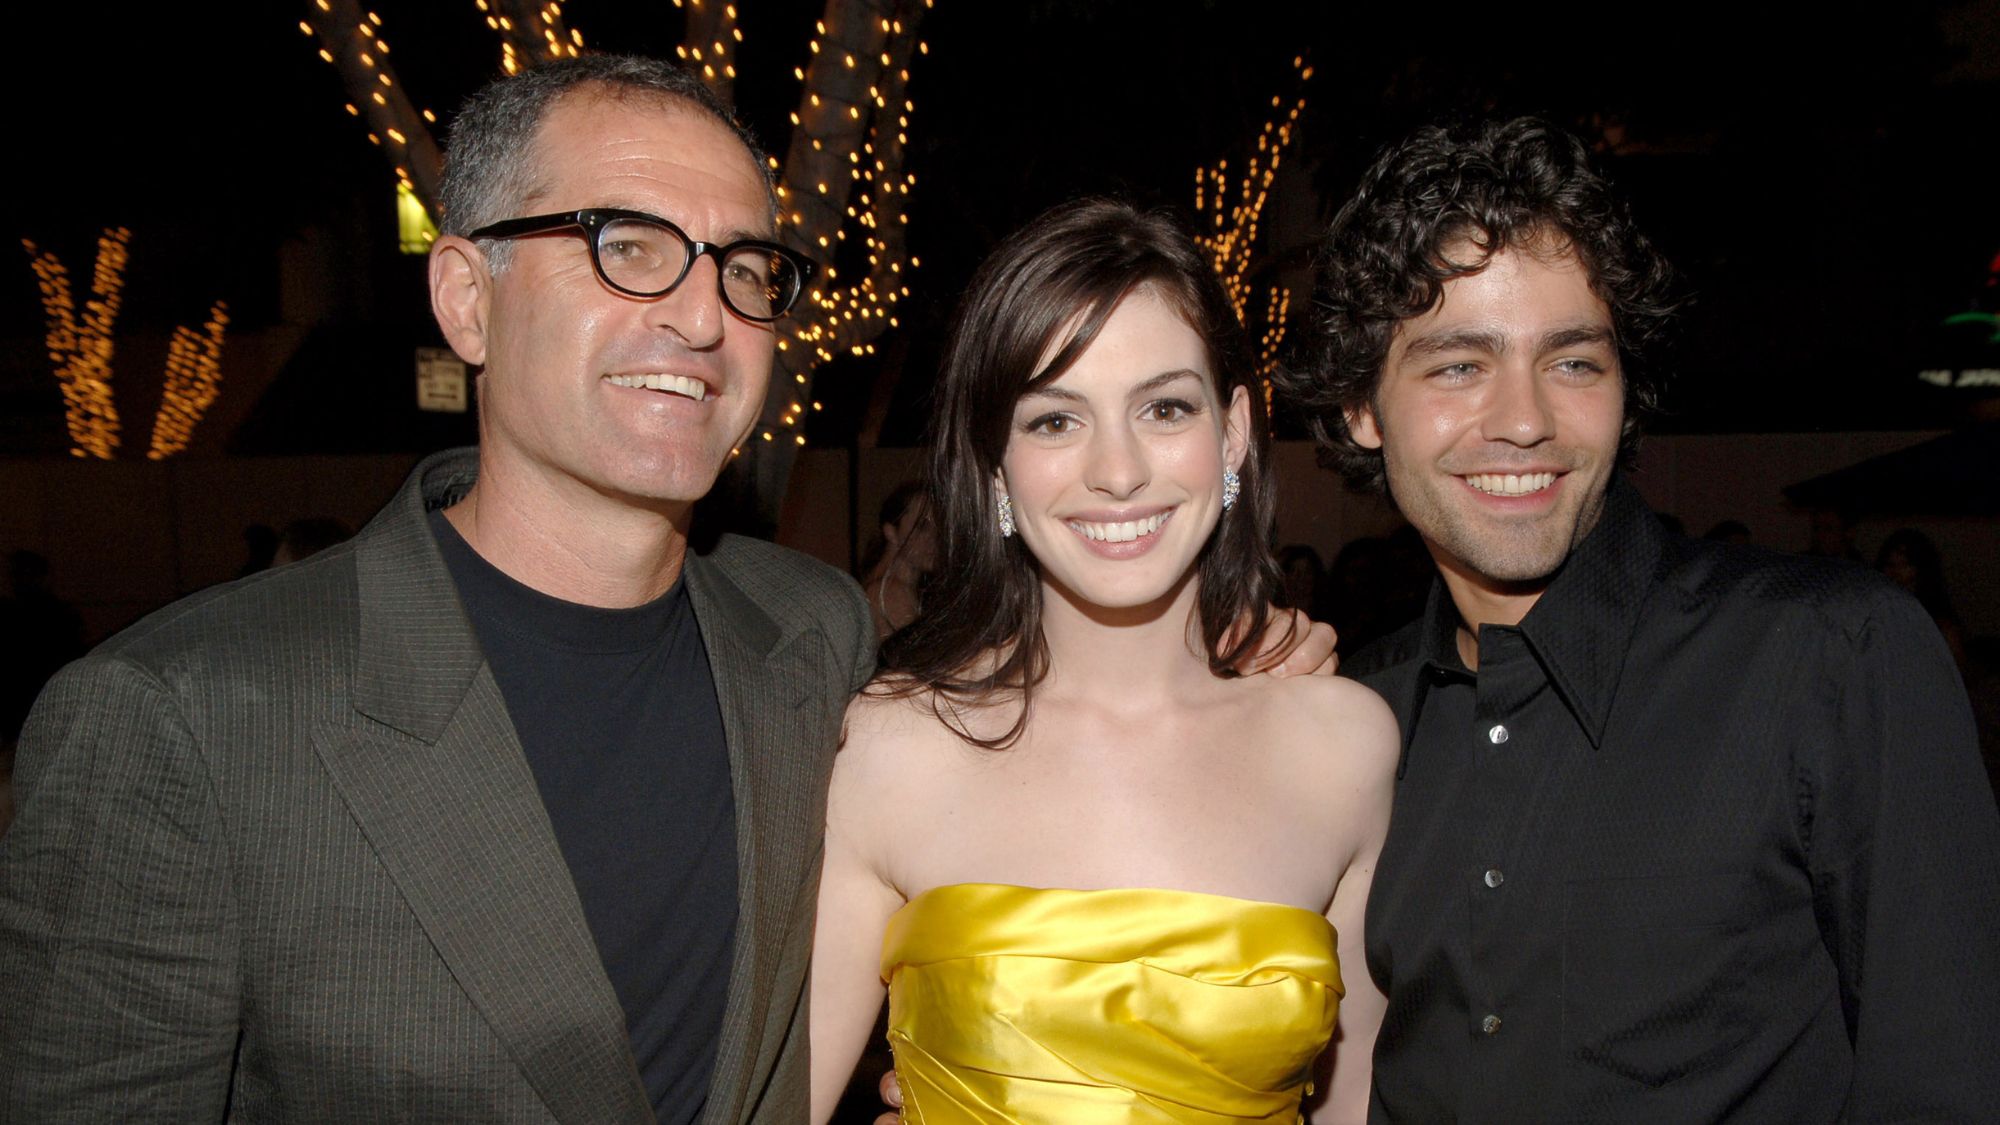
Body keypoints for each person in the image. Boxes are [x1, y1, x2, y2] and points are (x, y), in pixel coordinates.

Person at [0, 56, 875, 1122]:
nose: (702, 318)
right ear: (466, 300)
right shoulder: (182, 714)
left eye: (743, 269)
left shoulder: (813, 631)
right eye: (626, 247)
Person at [1282, 115, 2000, 1121]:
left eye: (1572, 362)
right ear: (1361, 407)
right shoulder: (1349, 721)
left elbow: (1947, 1081)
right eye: (1457, 365)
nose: (1524, 418)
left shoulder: (1830, 657)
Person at [809, 200, 1398, 1124]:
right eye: (1055, 420)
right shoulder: (888, 748)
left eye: (1164, 407)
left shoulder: (1345, 748)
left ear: (1234, 432)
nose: (1117, 470)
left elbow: (1356, 1102)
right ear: (996, 465)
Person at [857, 481, 937, 637]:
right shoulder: (889, 592)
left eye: (940, 527)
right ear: (891, 532)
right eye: (922, 527)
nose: (934, 538)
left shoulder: (898, 587)